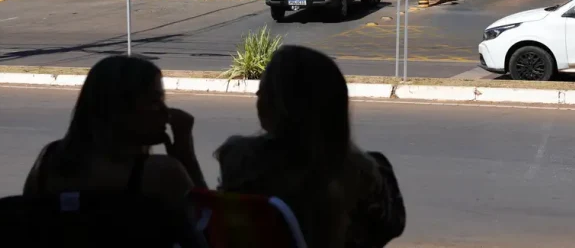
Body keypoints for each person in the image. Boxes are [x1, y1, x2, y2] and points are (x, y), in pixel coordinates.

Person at [215, 45, 405, 248]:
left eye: (263, 91)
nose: (257, 94)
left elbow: (211, 220)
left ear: (273, 106)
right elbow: (391, 227)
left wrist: (186, 150)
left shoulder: (240, 162)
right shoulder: (372, 175)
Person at [23, 56, 207, 208]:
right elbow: (210, 225)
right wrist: (186, 156)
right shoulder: (161, 172)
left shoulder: (48, 162)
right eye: (154, 101)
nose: (166, 112)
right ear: (121, 110)